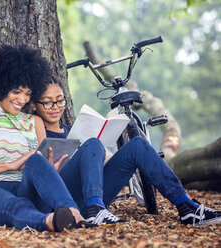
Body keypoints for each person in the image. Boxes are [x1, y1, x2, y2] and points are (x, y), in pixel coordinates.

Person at [30, 76, 221, 227]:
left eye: (60, 101)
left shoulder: (73, 129)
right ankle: (94, 210)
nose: (55, 107)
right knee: (92, 144)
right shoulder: (32, 131)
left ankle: (186, 206)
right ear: (34, 105)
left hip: (94, 196)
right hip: (62, 202)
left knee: (138, 144)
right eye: (47, 102)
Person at [0, 46, 98, 232]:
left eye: (28, 94)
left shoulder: (34, 121)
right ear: (0, 86)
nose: (22, 100)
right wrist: (9, 165)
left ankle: (72, 212)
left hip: (28, 188)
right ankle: (51, 221)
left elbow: (39, 165)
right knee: (16, 206)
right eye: (16, 92)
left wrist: (50, 170)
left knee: (35, 159)